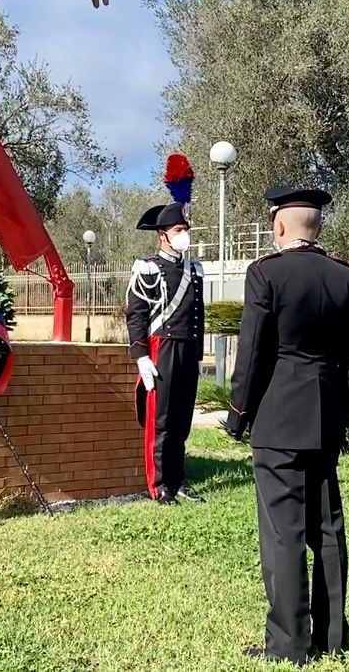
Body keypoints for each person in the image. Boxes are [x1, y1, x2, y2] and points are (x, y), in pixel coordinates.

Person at [227, 187, 349, 666]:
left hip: (278, 416)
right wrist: (342, 412)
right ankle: (332, 635)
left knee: (284, 533)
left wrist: (238, 413)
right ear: (319, 229)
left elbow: (253, 352)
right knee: (327, 527)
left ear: (279, 226)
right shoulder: (348, 277)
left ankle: (288, 644)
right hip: (327, 414)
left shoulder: (265, 273)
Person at [126, 199, 205, 505]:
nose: (184, 233)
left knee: (182, 420)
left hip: (187, 348)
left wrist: (197, 355)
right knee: (161, 421)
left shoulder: (194, 268)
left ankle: (177, 478)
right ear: (162, 234)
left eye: (185, 228)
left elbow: (198, 314)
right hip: (163, 346)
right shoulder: (147, 268)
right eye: (178, 229)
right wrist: (141, 356)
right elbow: (136, 314)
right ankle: (159, 485)